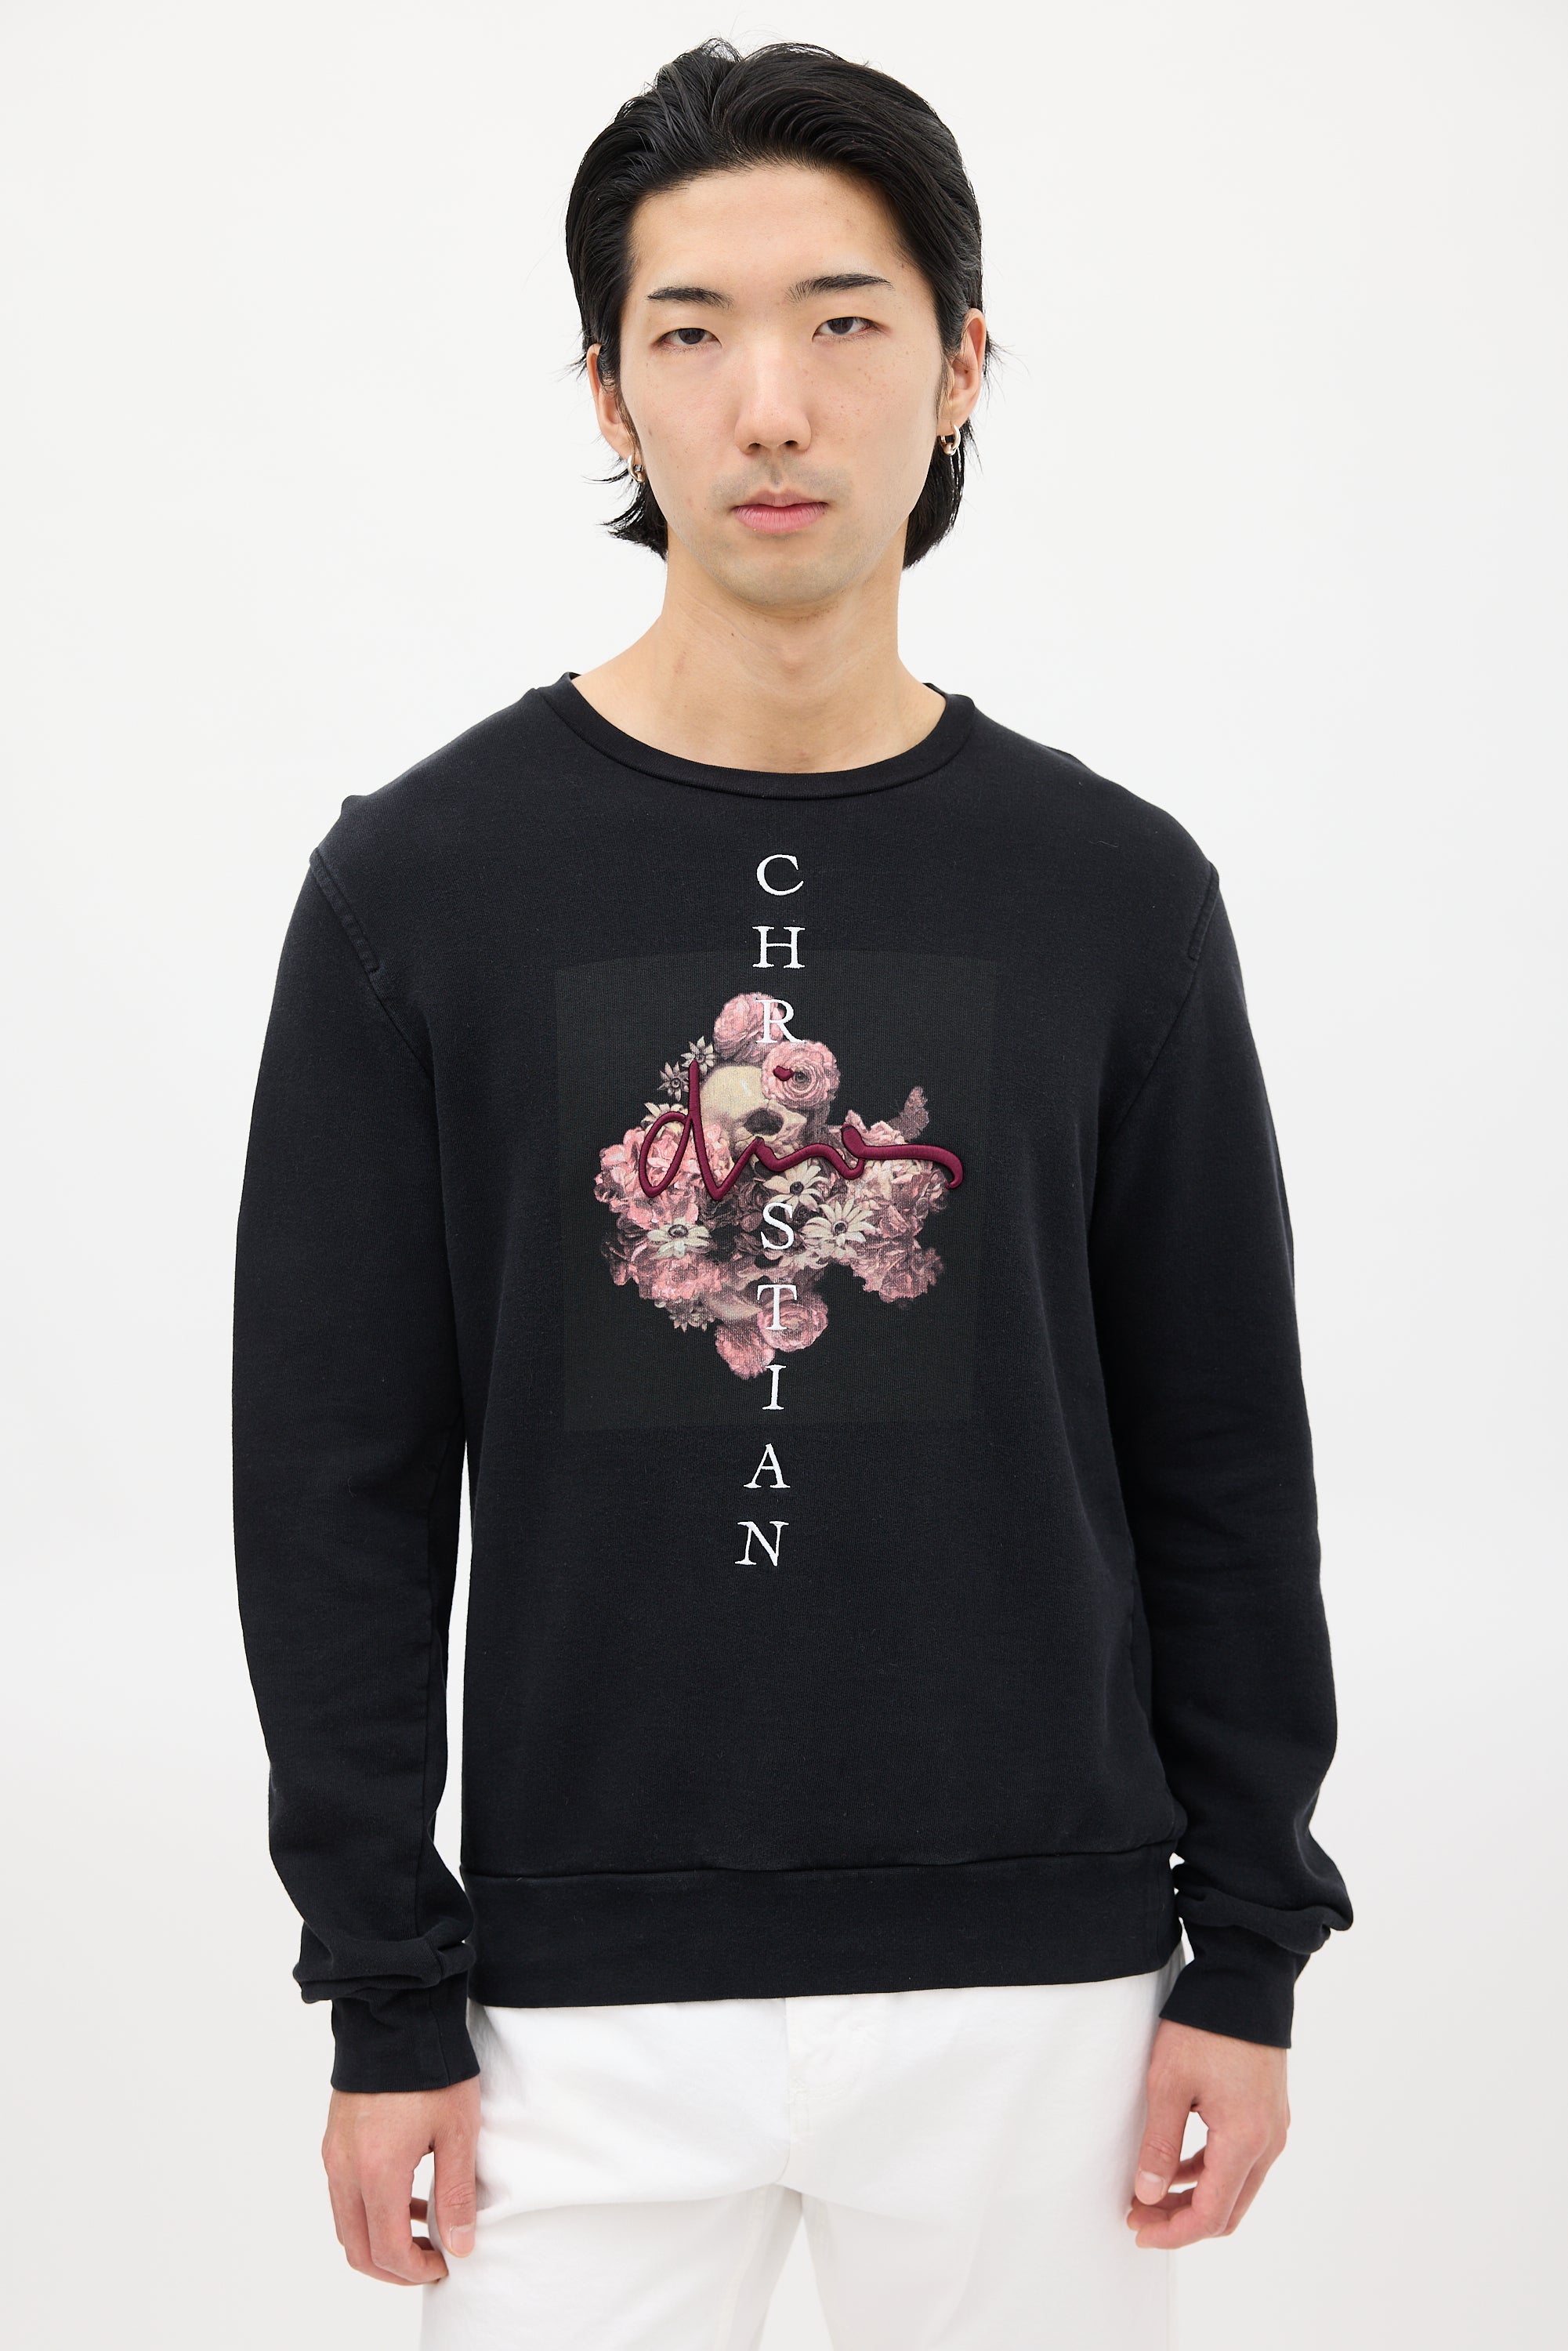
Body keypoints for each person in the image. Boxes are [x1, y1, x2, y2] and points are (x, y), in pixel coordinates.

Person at [232, 35, 1352, 2349]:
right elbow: (334, 1481)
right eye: (691, 332)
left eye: (845, 322)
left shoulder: (1113, 893)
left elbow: (1224, 1450)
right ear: (608, 391)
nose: (772, 406)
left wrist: (1246, 1948)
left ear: (960, 370)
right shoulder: (416, 889)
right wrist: (380, 1985)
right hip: (563, 2007)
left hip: (1044, 1990)